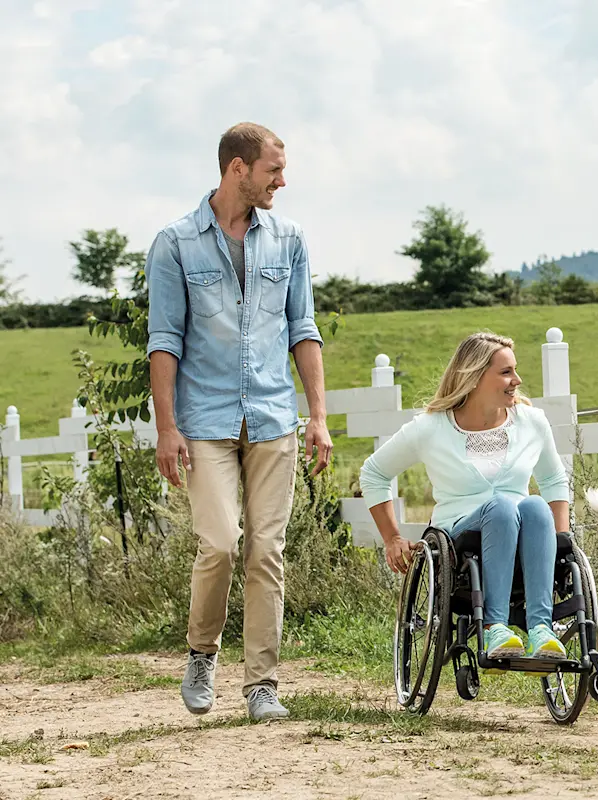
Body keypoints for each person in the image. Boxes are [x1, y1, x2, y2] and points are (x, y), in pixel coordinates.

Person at [145, 122, 332, 722]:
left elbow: (304, 329)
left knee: (266, 551)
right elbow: (164, 342)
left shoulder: (290, 238)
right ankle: (203, 650)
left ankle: (261, 684)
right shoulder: (175, 243)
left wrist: (318, 416)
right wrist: (167, 427)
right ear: (238, 170)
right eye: (274, 170)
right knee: (222, 543)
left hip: (274, 413)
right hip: (204, 419)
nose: (283, 180)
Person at [359, 332, 569, 663]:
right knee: (500, 506)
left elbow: (554, 480)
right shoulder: (430, 428)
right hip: (459, 538)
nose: (518, 380)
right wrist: (392, 537)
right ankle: (494, 627)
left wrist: (561, 540)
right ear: (474, 377)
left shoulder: (532, 422)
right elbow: (374, 473)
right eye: (506, 372)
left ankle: (542, 629)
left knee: (534, 504)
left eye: (515, 370)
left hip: (524, 531)